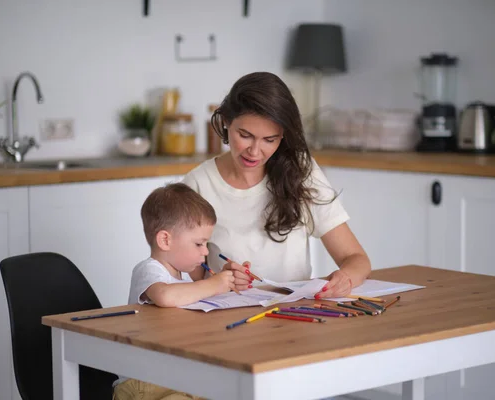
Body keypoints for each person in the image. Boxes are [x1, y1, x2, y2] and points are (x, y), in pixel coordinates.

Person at [183, 72, 371, 299]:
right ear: (226, 123)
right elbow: (195, 274)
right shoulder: (198, 184)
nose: (254, 151)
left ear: (283, 136)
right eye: (245, 135)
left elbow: (356, 259)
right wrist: (219, 279)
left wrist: (345, 278)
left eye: (269, 140)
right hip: (228, 316)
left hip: (295, 314)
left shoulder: (300, 170)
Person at [113, 182, 234, 400]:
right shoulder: (149, 270)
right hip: (143, 384)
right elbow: (167, 296)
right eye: (199, 244)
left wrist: (226, 284)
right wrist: (213, 285)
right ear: (165, 240)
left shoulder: (184, 278)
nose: (206, 251)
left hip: (175, 378)